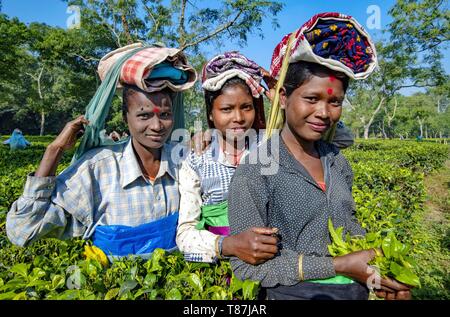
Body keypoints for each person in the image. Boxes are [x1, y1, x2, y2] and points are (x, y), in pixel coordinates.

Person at [227, 13, 412, 300]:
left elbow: (349, 231)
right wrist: (336, 266)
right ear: (284, 98)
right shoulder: (255, 170)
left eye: (334, 101)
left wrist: (381, 276)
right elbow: (247, 266)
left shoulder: (337, 161)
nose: (324, 113)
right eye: (312, 99)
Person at [6, 44, 197, 260]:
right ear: (126, 118)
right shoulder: (98, 168)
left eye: (164, 114)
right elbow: (22, 229)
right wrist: (54, 151)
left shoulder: (182, 161)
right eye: (144, 116)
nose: (156, 126)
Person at [176, 52, 279, 264]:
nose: (238, 118)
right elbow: (185, 234)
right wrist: (227, 245)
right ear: (211, 114)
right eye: (226, 109)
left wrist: (279, 98)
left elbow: (334, 138)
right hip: (219, 267)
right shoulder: (197, 158)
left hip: (272, 260)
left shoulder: (270, 145)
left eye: (246, 107)